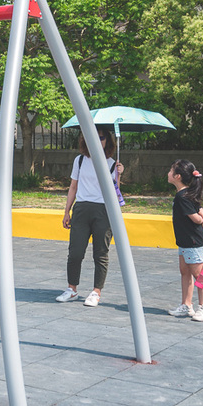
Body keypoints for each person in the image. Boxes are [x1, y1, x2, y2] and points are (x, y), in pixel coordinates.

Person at [56, 131, 124, 307]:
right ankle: (72, 289)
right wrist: (67, 211)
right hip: (81, 208)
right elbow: (73, 187)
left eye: (101, 137)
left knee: (100, 253)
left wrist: (119, 174)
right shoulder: (79, 160)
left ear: (107, 141)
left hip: (103, 210)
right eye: (92, 136)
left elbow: (115, 192)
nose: (97, 140)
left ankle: (96, 292)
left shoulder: (111, 164)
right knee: (75, 252)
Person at [167, 160, 203, 322]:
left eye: (170, 170)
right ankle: (187, 305)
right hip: (185, 242)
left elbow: (198, 218)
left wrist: (200, 223)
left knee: (199, 275)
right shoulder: (187, 194)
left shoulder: (183, 197)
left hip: (193, 243)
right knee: (185, 272)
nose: (168, 173)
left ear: (177, 176)